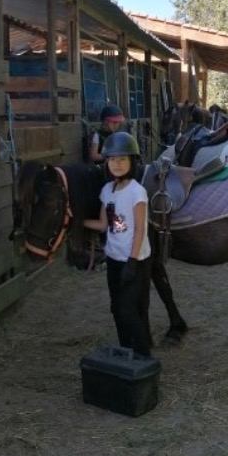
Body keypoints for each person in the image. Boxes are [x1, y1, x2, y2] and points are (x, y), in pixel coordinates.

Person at [83, 131, 153, 357]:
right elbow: (104, 224)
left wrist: (132, 261)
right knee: (117, 308)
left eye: (123, 159)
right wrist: (79, 222)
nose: (117, 164)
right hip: (114, 259)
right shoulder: (106, 191)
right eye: (113, 159)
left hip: (135, 261)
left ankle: (143, 356)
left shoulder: (137, 192)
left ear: (132, 162)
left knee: (130, 311)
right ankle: (126, 350)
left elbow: (141, 228)